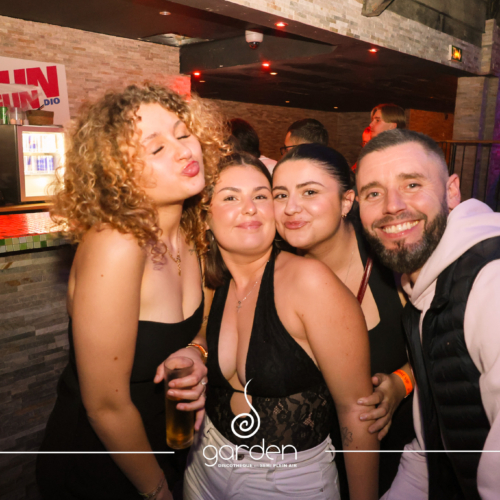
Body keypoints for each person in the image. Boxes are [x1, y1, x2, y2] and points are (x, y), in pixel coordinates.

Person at [36, 83, 225, 500]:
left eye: (183, 134)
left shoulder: (192, 229)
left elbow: (205, 321)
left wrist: (197, 350)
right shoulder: (117, 244)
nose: (183, 150)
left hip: (163, 448)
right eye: (156, 148)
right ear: (118, 172)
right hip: (100, 465)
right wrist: (158, 491)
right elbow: (105, 406)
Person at [183, 153, 379, 500]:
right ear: (206, 217)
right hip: (204, 463)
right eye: (231, 197)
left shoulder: (309, 283)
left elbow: (356, 412)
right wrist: (194, 352)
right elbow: (206, 335)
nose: (250, 208)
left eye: (261, 195)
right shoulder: (217, 281)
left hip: (288, 481)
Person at [356, 129, 500, 500]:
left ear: (452, 191)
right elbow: (430, 449)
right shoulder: (423, 291)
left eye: (412, 184)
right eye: (373, 193)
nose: (392, 206)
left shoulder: (489, 282)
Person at [272, 143, 415, 496]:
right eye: (280, 194)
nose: (291, 208)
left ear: (347, 201)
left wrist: (400, 383)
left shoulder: (392, 261)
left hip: (397, 460)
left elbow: (441, 348)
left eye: (309, 192)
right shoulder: (271, 270)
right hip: (304, 472)